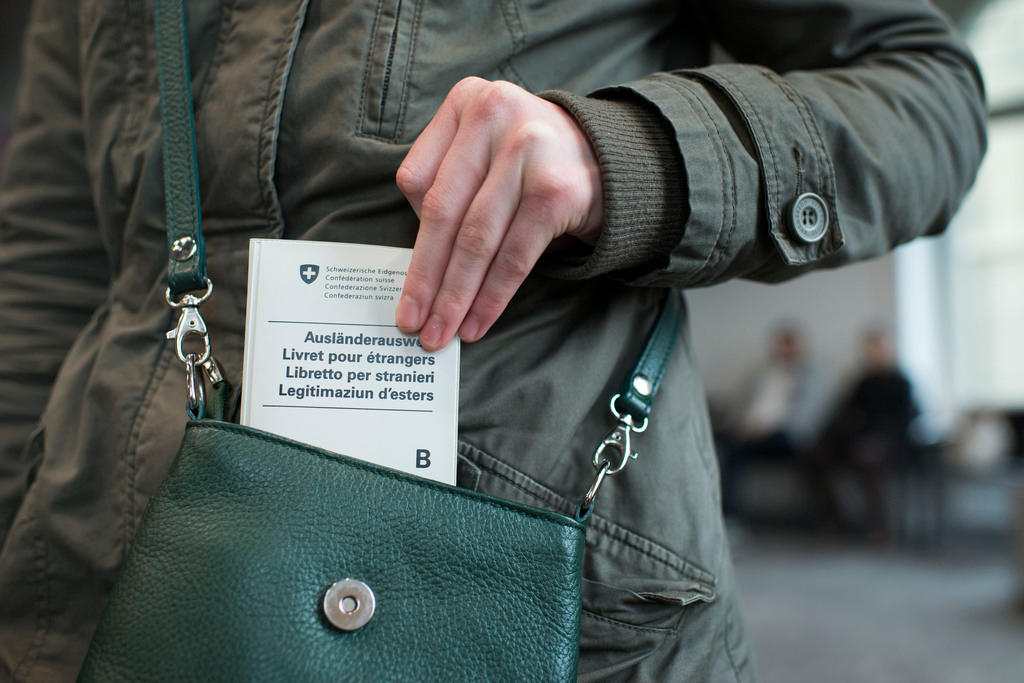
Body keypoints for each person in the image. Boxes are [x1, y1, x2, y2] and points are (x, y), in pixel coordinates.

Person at [0, 0, 985, 680]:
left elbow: (929, 97)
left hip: (543, 598)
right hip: (97, 574)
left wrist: (629, 155)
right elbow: (48, 255)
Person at [807, 329, 919, 539]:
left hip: (885, 443)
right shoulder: (863, 382)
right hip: (856, 439)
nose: (874, 354)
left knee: (868, 458)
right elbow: (844, 412)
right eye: (870, 350)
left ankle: (880, 525)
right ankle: (836, 519)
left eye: (879, 349)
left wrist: (878, 436)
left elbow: (906, 418)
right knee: (815, 457)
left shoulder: (902, 383)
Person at [720, 324, 828, 518]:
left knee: (735, 450)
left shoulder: (812, 375)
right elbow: (744, 403)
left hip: (790, 436)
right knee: (724, 445)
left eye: (790, 344)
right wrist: (744, 425)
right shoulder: (764, 373)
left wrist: (766, 429)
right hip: (752, 432)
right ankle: (726, 514)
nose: (786, 349)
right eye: (783, 344)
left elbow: (807, 414)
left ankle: (729, 514)